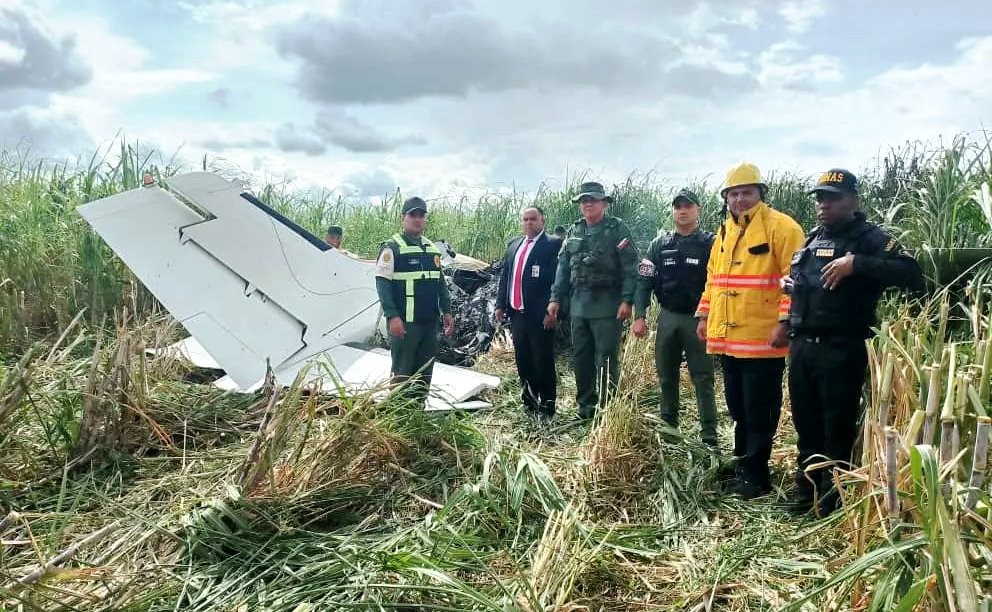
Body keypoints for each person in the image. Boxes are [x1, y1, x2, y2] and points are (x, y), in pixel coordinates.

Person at [783, 169, 923, 515]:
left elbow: (911, 272)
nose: (823, 204)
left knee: (837, 425)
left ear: (853, 200)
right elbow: (813, 284)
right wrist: (793, 286)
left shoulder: (870, 239)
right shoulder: (813, 238)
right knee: (806, 422)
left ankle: (834, 500)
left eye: (832, 198)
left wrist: (856, 264)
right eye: (820, 198)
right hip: (802, 346)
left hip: (840, 348)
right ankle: (808, 492)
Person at [695, 162, 804, 499]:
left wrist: (785, 322)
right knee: (738, 407)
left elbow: (795, 280)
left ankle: (756, 476)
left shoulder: (782, 228)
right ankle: (743, 463)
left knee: (759, 409)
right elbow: (714, 279)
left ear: (760, 194)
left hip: (762, 339)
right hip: (728, 340)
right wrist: (703, 315)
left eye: (747, 192)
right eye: (734, 194)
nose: (740, 199)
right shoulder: (724, 232)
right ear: (726, 198)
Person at [632, 189, 718, 448]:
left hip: (698, 319)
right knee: (666, 375)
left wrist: (708, 315)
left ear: (698, 210)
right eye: (678, 206)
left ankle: (709, 435)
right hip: (668, 317)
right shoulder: (659, 244)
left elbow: (718, 279)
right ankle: (669, 429)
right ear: (673, 210)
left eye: (688, 206)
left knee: (703, 377)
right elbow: (644, 280)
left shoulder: (711, 243)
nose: (682, 210)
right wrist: (640, 315)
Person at [548, 181, 638, 420]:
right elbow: (563, 267)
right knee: (581, 357)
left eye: (593, 200)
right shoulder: (574, 230)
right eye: (583, 200)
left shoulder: (617, 229)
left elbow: (631, 268)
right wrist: (555, 298)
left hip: (608, 305)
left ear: (604, 203)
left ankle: (608, 409)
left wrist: (627, 300)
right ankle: (586, 406)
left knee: (606, 358)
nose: (587, 204)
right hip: (579, 305)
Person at [374, 197, 455, 406]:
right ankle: (397, 418)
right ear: (403, 218)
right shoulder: (392, 248)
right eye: (412, 215)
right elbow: (382, 285)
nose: (417, 220)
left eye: (421, 215)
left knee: (424, 372)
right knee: (402, 373)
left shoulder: (432, 249)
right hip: (405, 324)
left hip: (429, 323)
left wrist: (446, 311)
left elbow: (440, 283)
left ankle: (416, 415)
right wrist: (392, 317)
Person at [494, 206, 561, 422]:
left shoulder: (552, 245)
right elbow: (506, 276)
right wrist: (500, 305)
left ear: (542, 221)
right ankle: (529, 403)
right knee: (523, 359)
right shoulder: (515, 245)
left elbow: (558, 281)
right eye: (525, 219)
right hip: (517, 313)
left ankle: (547, 405)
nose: (529, 223)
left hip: (540, 314)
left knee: (542, 359)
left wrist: (553, 309)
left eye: (533, 219)